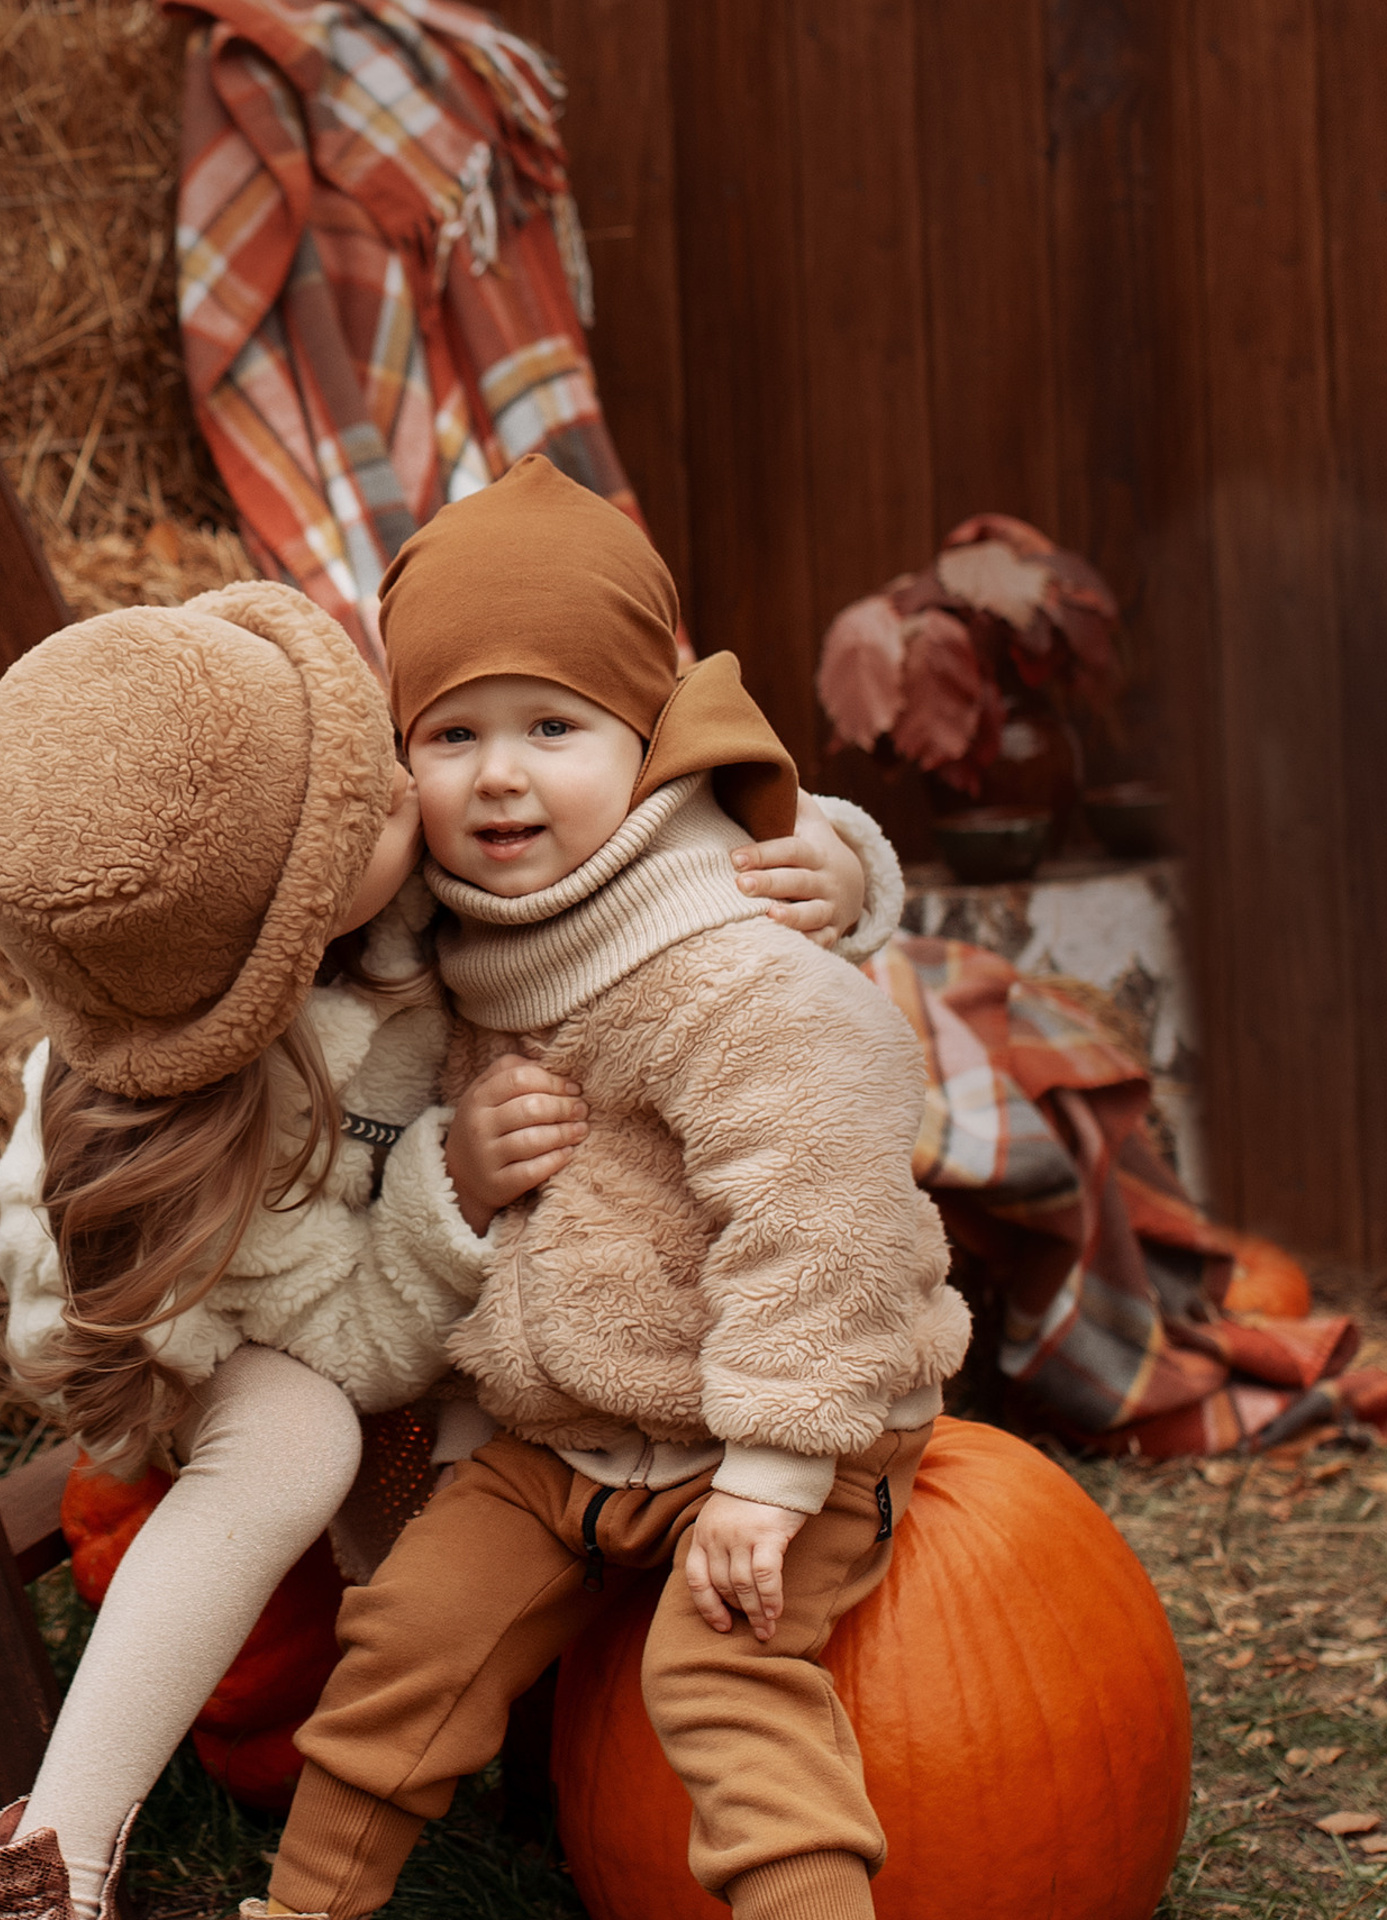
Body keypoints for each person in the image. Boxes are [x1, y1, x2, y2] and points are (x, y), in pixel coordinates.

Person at [0, 576, 902, 1920]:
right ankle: (54, 1850)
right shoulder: (227, 1115)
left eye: (389, 756)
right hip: (213, 1316)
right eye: (392, 793)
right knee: (303, 1445)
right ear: (299, 924)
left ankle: (466, 1661)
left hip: (471, 1323)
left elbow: (655, 799)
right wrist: (448, 1189)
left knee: (496, 1511)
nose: (424, 783)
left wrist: (838, 862)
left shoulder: (398, 841)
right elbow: (350, 1340)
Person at [243, 458, 972, 1920]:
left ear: (652, 746)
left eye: (552, 727)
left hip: (778, 1421)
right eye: (450, 733)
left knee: (719, 1686)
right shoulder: (470, 927)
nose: (497, 773)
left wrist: (770, 1476)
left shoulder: (729, 966)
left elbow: (826, 1220)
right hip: (572, 1433)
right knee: (409, 1641)